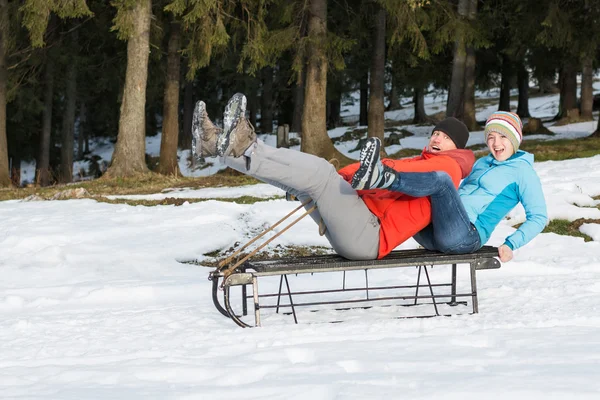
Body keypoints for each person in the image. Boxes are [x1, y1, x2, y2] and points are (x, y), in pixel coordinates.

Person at [192, 93, 475, 260]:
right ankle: (217, 145)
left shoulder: (447, 168)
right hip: (360, 222)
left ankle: (245, 144)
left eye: (446, 137)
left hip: (370, 236)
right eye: (436, 132)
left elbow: (390, 174)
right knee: (304, 181)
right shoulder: (424, 159)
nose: (438, 138)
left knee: (320, 174)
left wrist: (342, 177)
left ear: (456, 146)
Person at [352, 111, 548, 262]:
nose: (495, 143)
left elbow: (538, 217)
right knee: (421, 190)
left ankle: (384, 178)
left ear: (514, 140)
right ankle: (363, 204)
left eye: (503, 137)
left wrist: (511, 244)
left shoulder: (523, 172)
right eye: (491, 137)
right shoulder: (482, 163)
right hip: (435, 233)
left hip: (466, 236)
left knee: (442, 181)